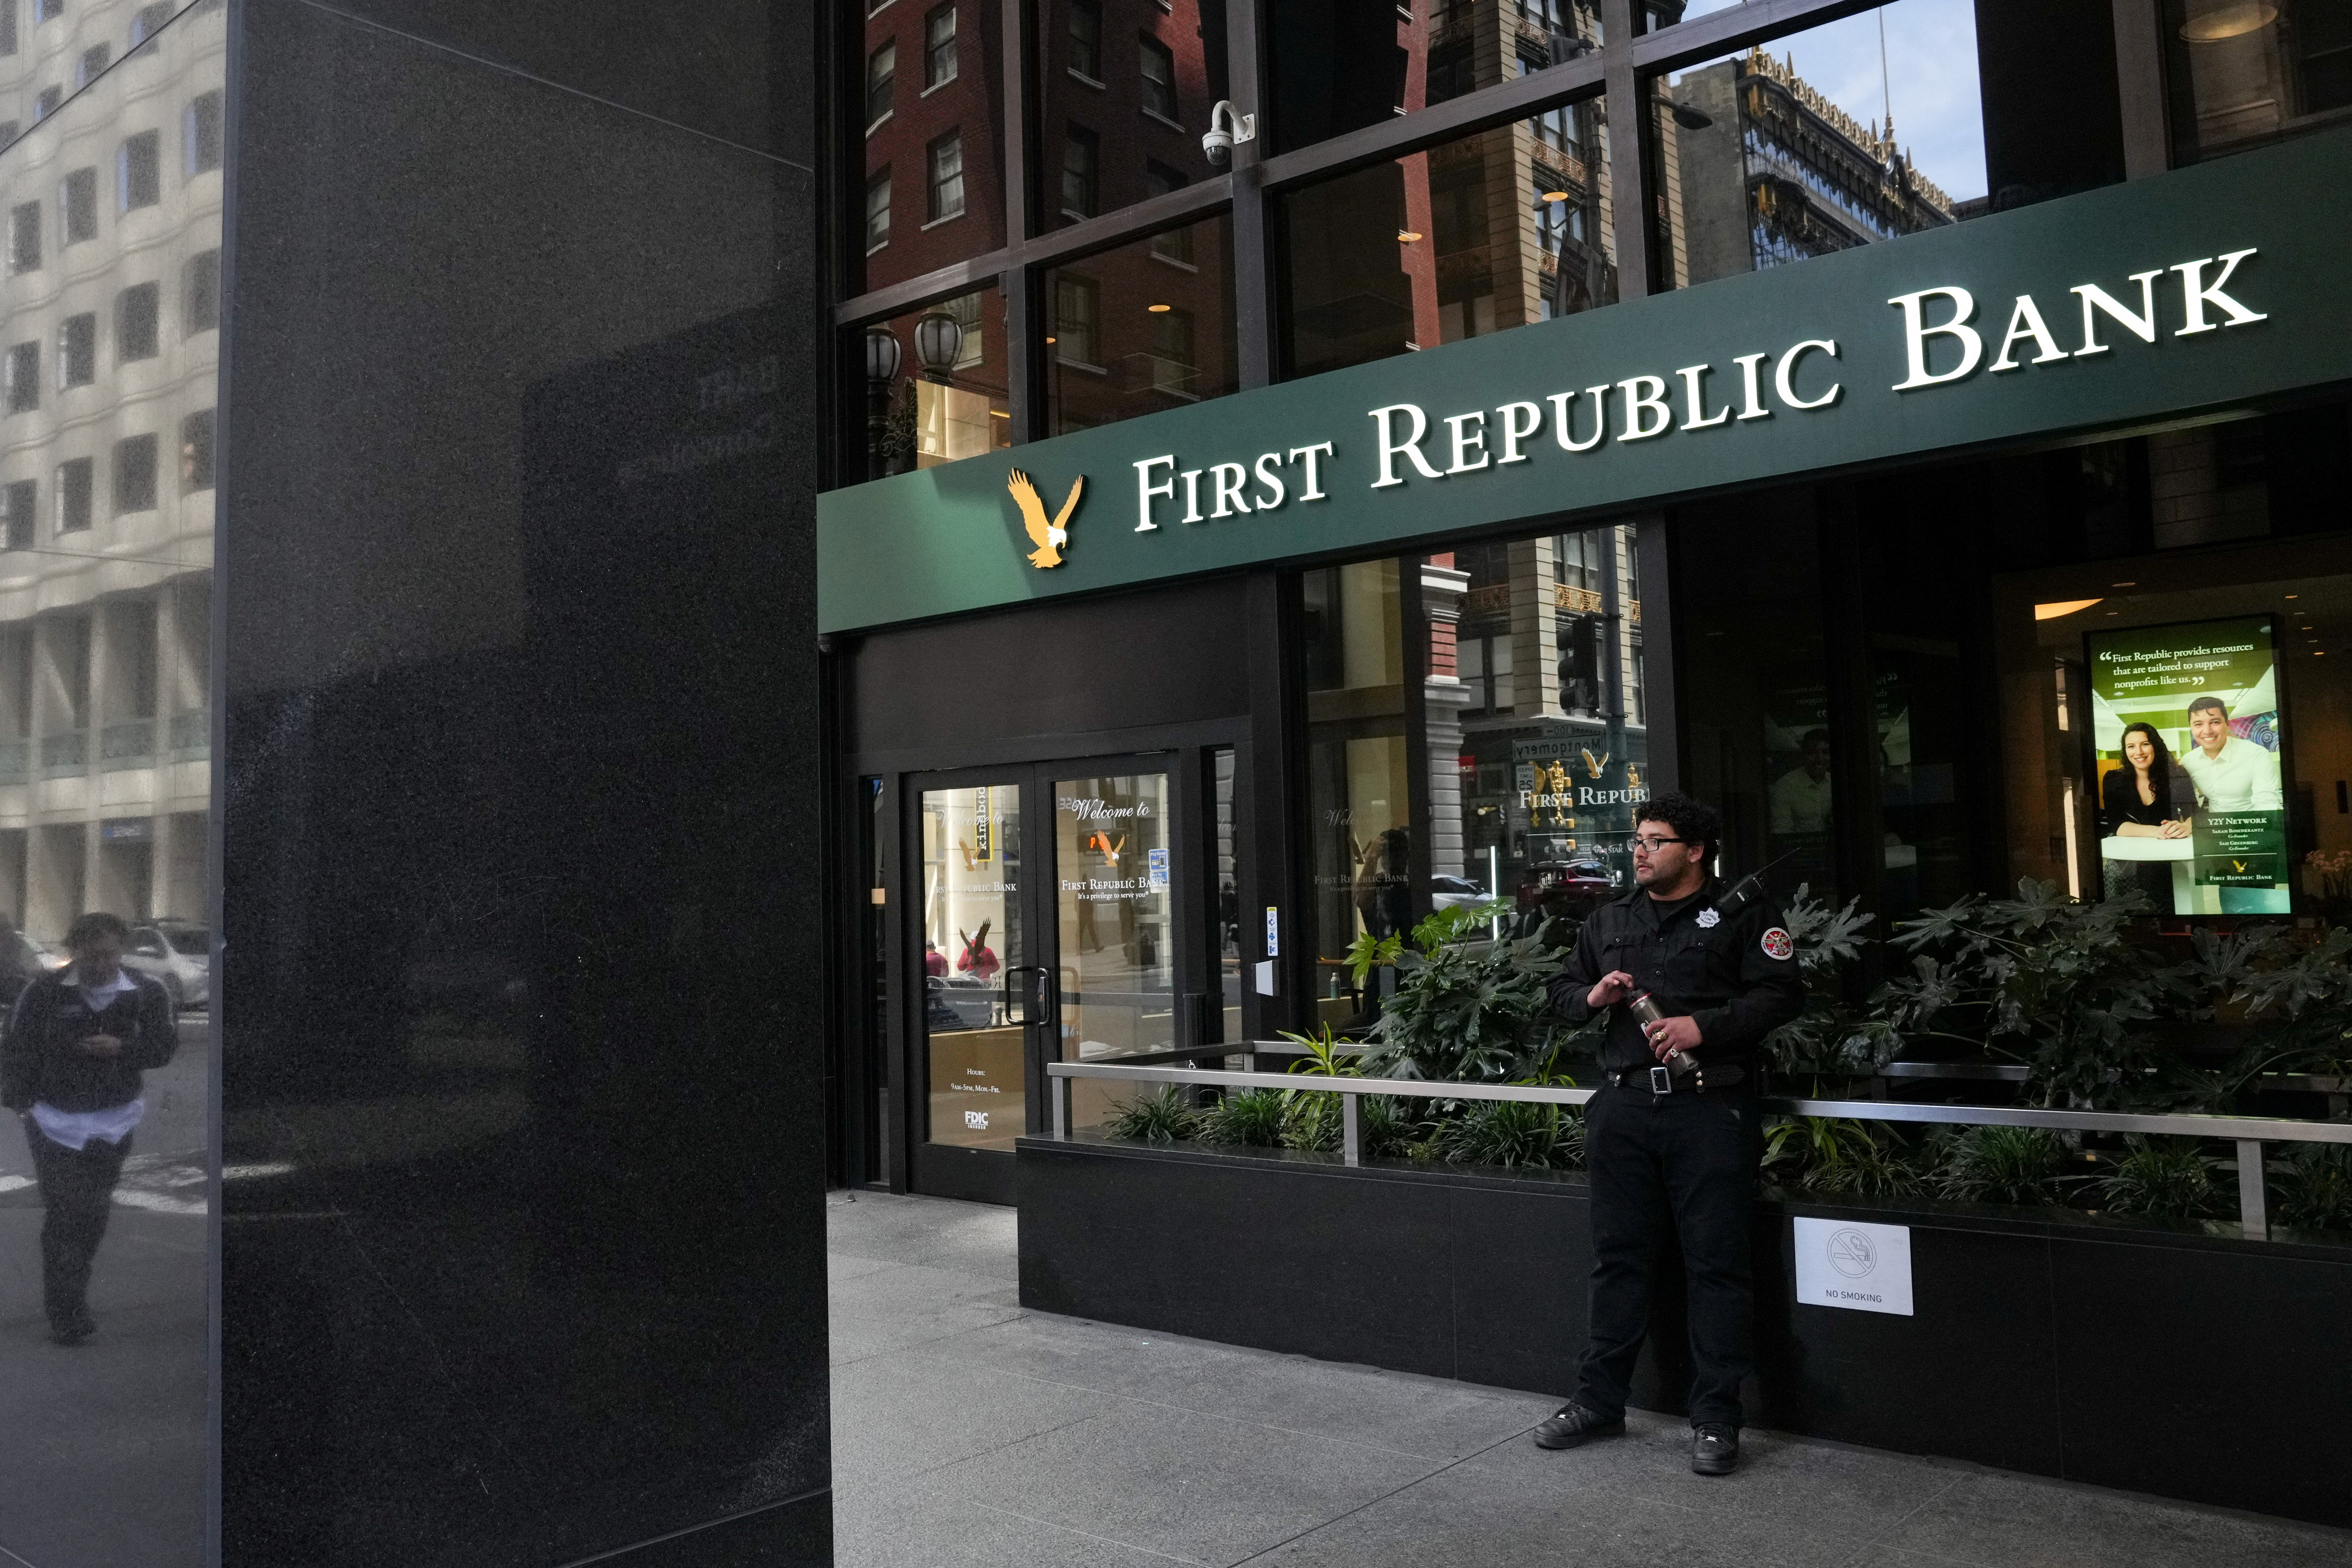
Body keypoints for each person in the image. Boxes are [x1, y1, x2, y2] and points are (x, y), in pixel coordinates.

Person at [1533, 792, 1805, 1476]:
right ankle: (1599, 1400)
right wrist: (1593, 997)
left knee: (1716, 1263)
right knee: (1619, 1257)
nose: (1641, 850)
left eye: (1657, 839)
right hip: (1624, 1110)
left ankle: (1716, 1417)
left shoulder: (1741, 915)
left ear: (1696, 850)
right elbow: (1562, 993)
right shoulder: (1611, 919)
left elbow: (1782, 994)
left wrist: (1701, 1028)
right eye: (1639, 838)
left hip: (1708, 1109)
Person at [0, 911, 177, 1345]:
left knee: (93, 1212)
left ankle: (71, 1295)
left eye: (110, 956)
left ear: (123, 951)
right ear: (74, 951)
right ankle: (68, 1311)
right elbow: (16, 1051)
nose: (101, 966)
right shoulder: (41, 993)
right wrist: (22, 1107)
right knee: (66, 1211)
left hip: (115, 1120)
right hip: (54, 1120)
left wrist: (124, 1047)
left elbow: (162, 1048)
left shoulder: (146, 992)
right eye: (92, 956)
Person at [2176, 696, 2283, 811]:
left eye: (2215, 722)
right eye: (2198, 724)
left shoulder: (2256, 754)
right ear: (2191, 727)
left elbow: (2267, 803)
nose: (2207, 731)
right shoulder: (2188, 762)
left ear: (2227, 724)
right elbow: (2189, 801)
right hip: (2215, 826)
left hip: (2253, 824)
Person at [2101, 723, 2192, 840]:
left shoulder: (2177, 775)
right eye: (2131, 746)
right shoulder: (2113, 779)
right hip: (2131, 853)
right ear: (2125, 750)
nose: (2139, 752)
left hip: (2170, 848)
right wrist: (2157, 831)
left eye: (2145, 744)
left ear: (2155, 747)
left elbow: (2193, 814)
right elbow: (2117, 824)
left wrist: (2186, 827)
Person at [1768, 729, 1833, 835]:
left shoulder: (1831, 781)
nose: (1820, 759)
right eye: (1812, 753)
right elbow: (1782, 830)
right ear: (1804, 755)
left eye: (1826, 752)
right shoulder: (1785, 786)